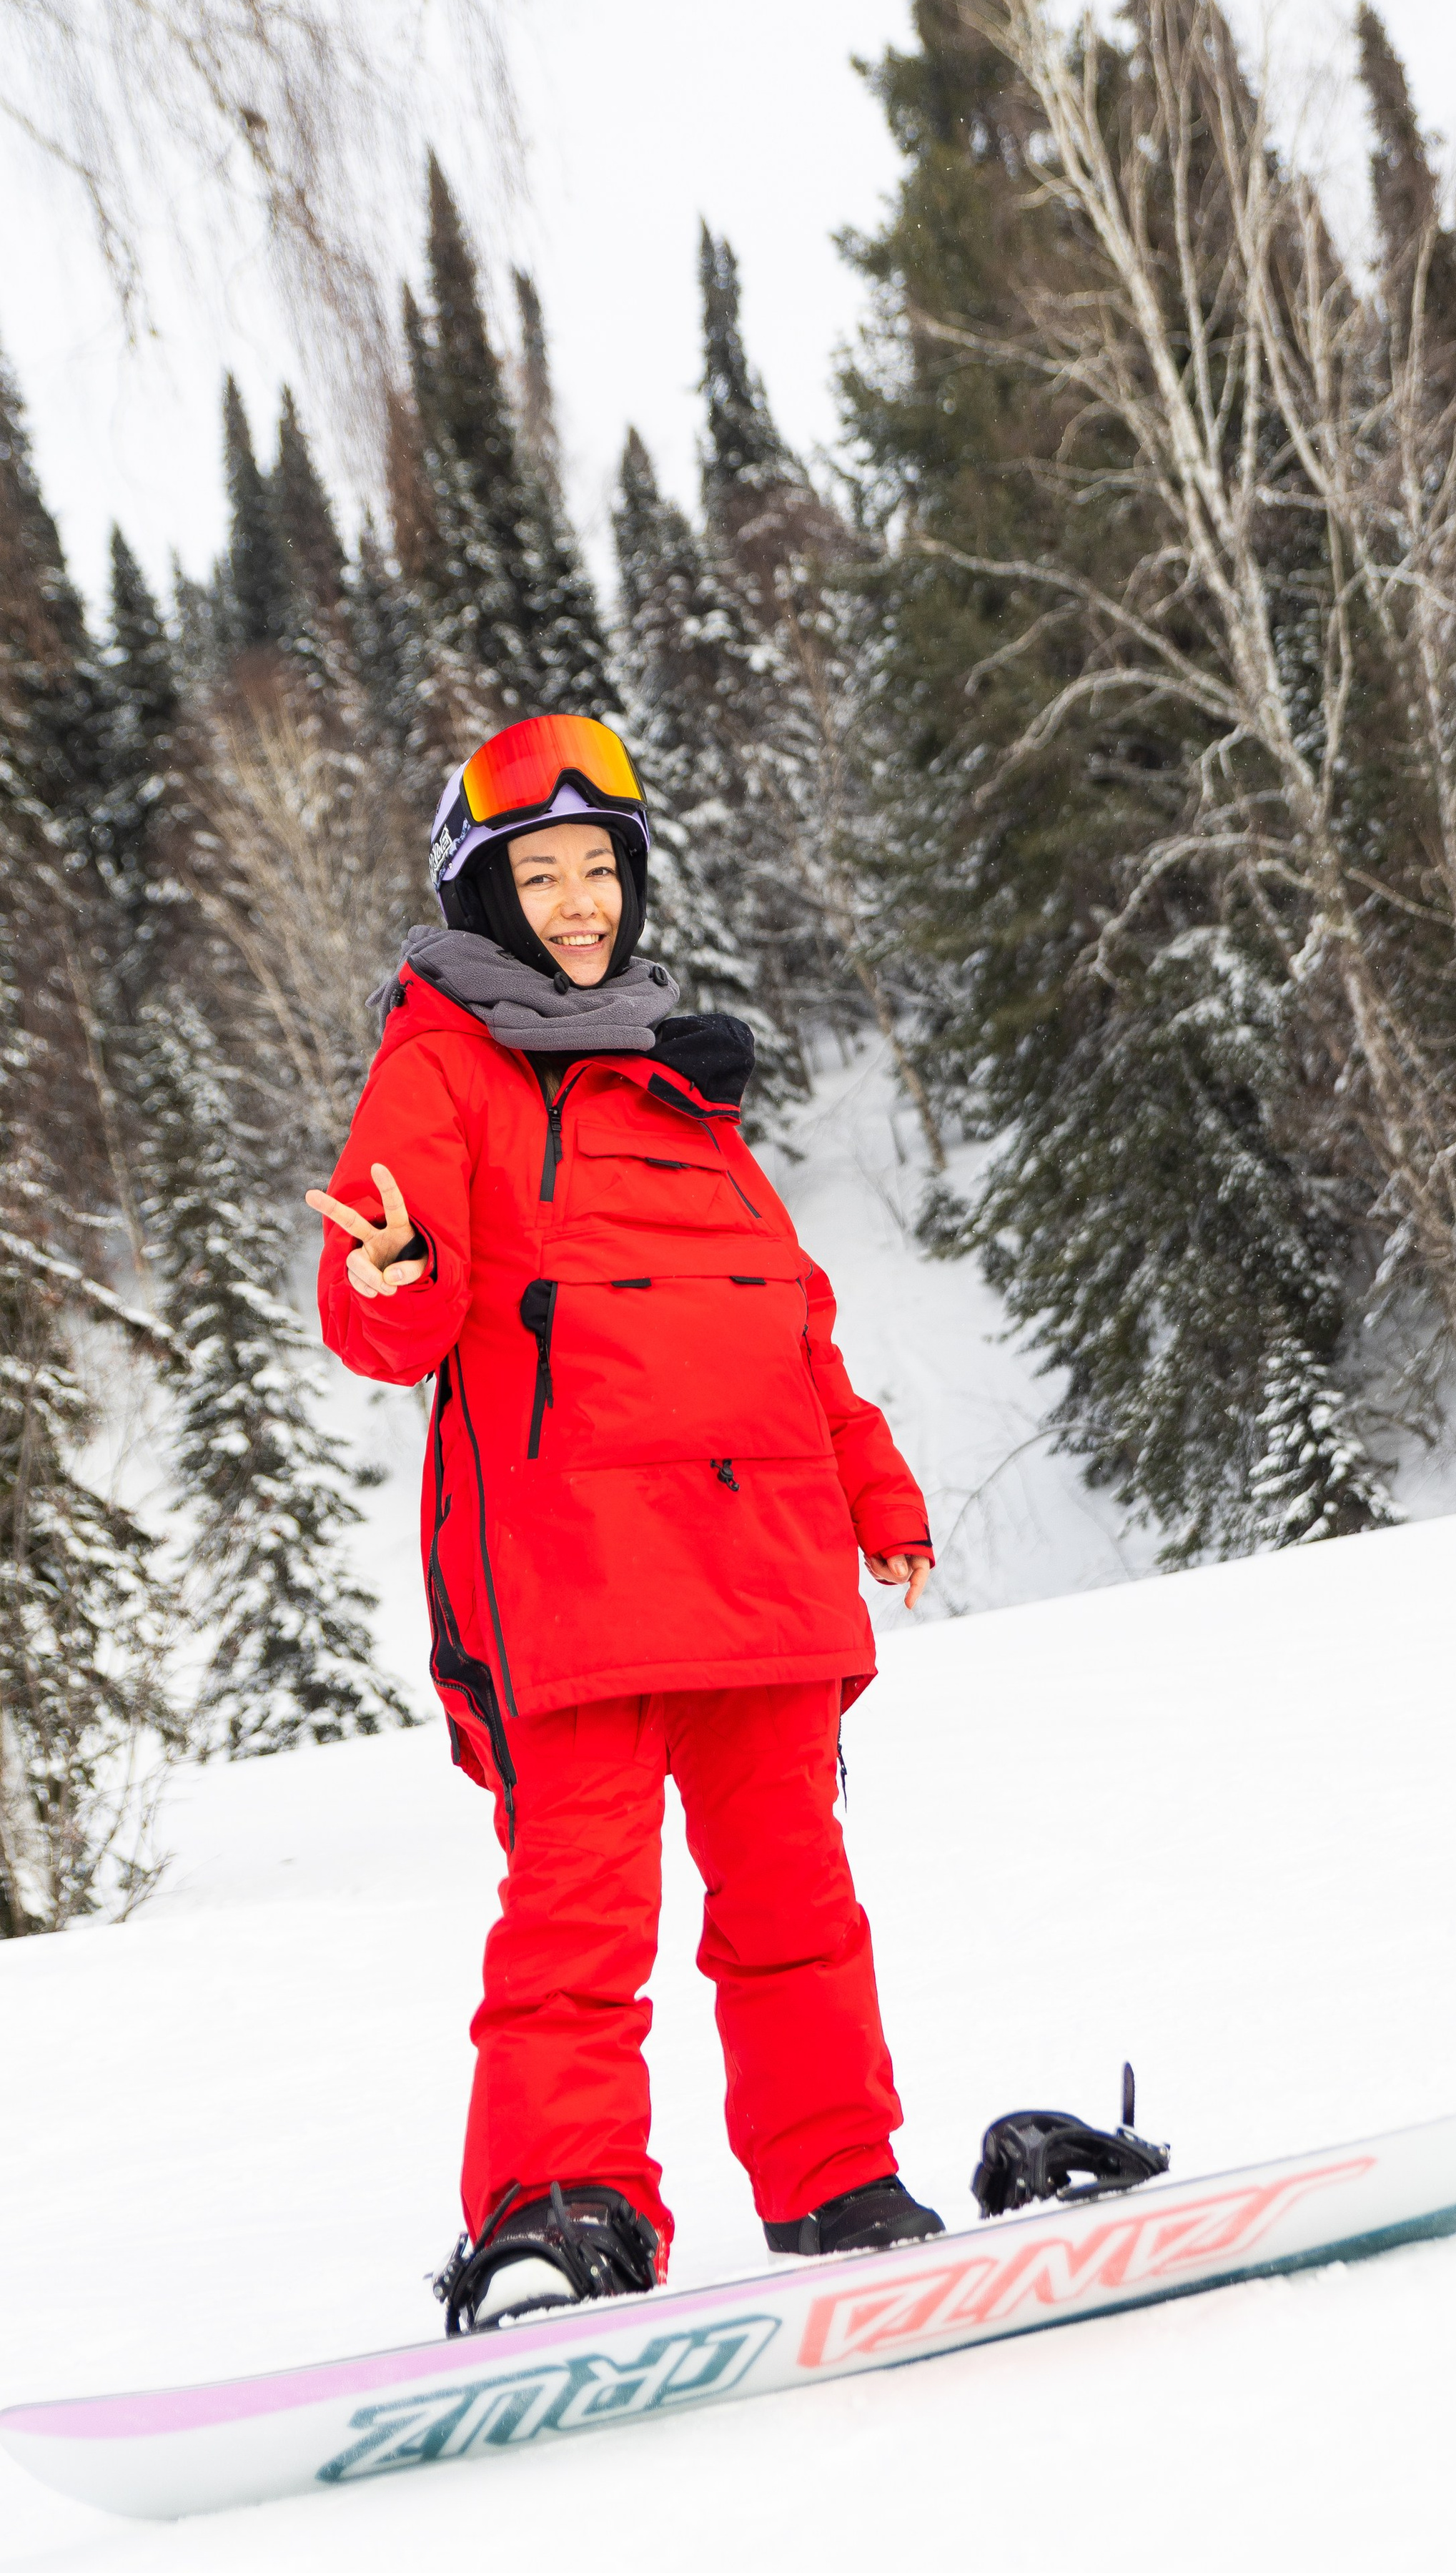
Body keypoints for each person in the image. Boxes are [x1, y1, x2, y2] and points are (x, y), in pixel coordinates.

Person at [307, 713, 941, 2334]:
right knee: (580, 1926)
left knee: (797, 1904)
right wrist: (383, 1277)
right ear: (482, 889)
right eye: (544, 871)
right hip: (575, 1578)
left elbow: (783, 1311)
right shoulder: (443, 1057)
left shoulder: (678, 1079)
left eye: (603, 868)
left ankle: (837, 2174)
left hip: (756, 1567)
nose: (581, 901)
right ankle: (556, 2207)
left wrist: (870, 1485)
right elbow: (396, 1295)